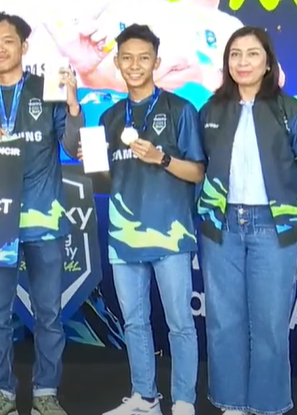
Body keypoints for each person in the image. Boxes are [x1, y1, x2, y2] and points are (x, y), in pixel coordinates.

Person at [0, 12, 81, 415]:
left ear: (24, 46)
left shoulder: (49, 90)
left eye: (8, 41)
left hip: (44, 219)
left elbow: (72, 147)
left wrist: (73, 101)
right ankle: (3, 393)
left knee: (49, 314)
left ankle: (46, 392)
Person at [196, 26, 297, 415]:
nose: (243, 62)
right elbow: (200, 164)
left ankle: (268, 406)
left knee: (269, 323)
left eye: (252, 54)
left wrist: (288, 203)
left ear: (268, 62)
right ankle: (231, 403)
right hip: (222, 226)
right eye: (235, 54)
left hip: (273, 227)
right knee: (223, 321)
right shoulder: (211, 111)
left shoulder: (294, 112)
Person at [87, 25, 205, 415]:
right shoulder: (109, 117)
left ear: (156, 61)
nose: (135, 65)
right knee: (134, 322)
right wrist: (91, 158)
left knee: (179, 323)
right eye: (127, 58)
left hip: (171, 234)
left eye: (143, 58)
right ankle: (145, 397)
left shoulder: (180, 110)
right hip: (124, 234)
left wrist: (161, 158)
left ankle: (184, 401)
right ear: (117, 62)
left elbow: (198, 172)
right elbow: (106, 176)